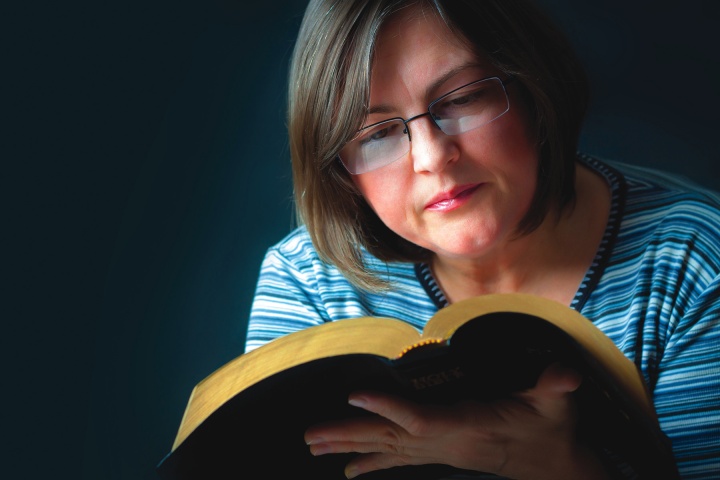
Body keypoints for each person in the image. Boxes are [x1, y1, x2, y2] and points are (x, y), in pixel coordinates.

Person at [245, 0, 720, 478]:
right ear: (340, 172)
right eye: (377, 133)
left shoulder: (696, 263)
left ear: (534, 85)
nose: (432, 156)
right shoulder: (308, 281)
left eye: (462, 98)